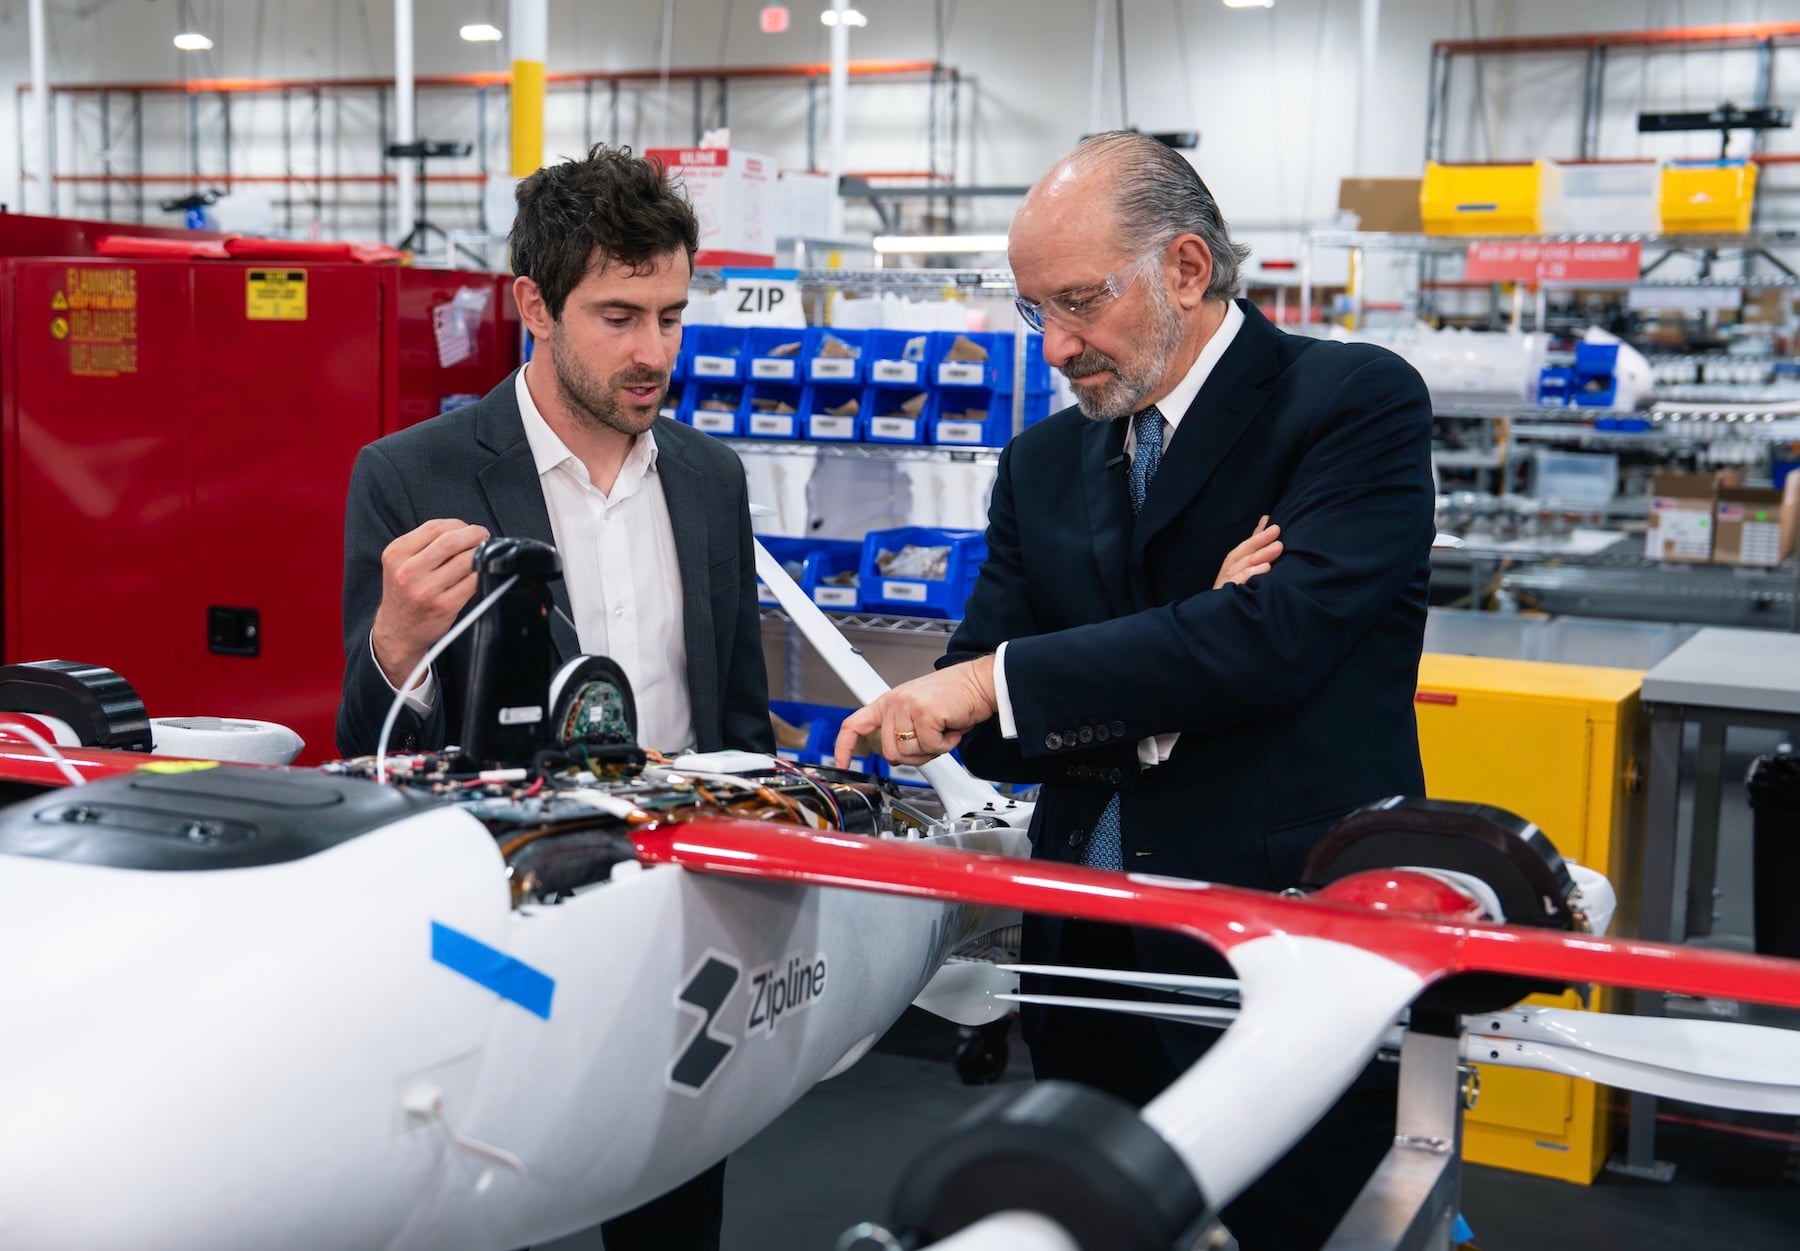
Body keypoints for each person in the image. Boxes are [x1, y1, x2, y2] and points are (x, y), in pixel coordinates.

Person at [835, 130, 1435, 1250]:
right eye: (1035, 312)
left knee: (1296, 1224)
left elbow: (1276, 644)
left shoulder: (1349, 405)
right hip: (1086, 960)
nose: (1057, 345)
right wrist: (1182, 640)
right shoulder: (1045, 465)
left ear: (1188, 269)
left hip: (1278, 947)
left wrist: (1025, 680)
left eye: (1078, 302)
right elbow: (1003, 741)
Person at [337, 144, 772, 1251]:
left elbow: (734, 719)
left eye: (672, 315)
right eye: (618, 316)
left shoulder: (712, 480)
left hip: (678, 924)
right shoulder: (411, 474)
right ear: (534, 303)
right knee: (475, 1204)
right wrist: (395, 643)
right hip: (494, 925)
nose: (654, 353)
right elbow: (365, 753)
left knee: (674, 1214)